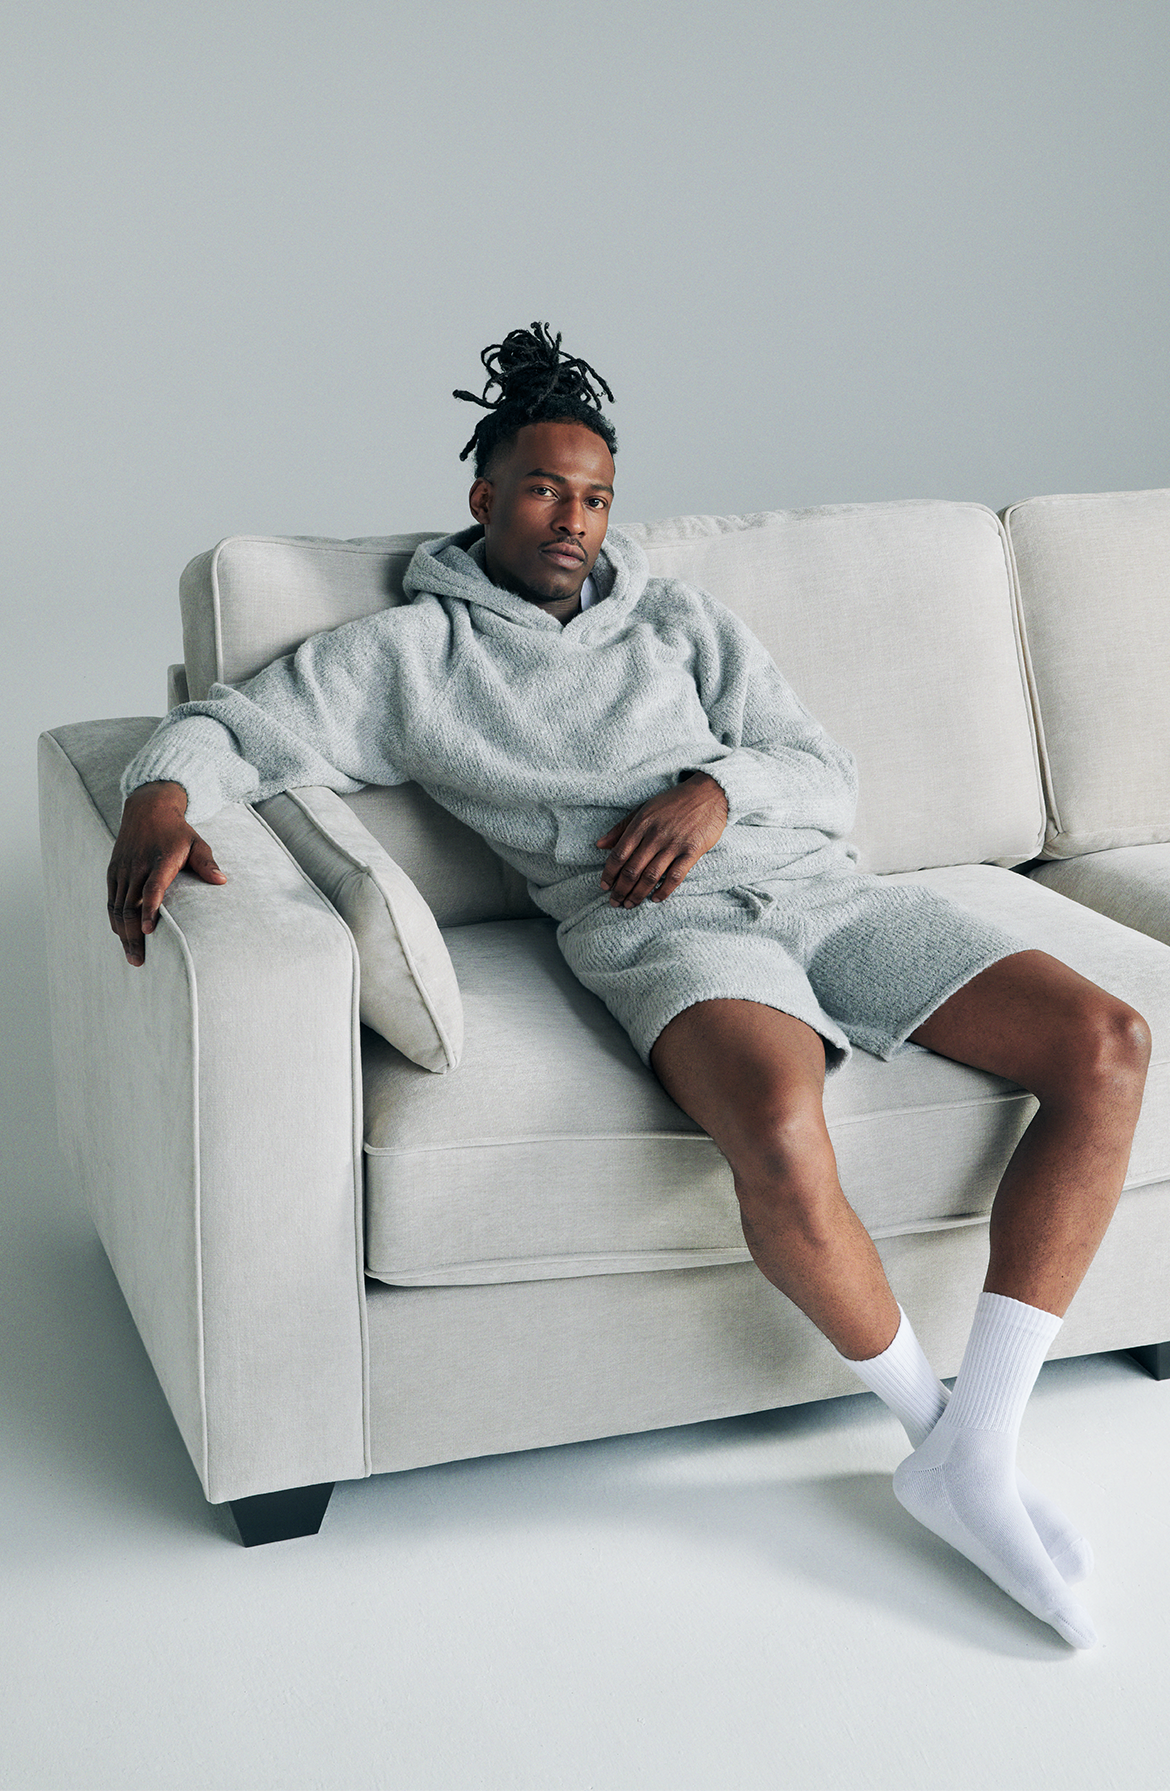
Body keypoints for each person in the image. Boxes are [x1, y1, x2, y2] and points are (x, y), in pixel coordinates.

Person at [107, 323, 1150, 1649]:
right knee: (779, 1125)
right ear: (484, 495)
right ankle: (936, 1439)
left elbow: (821, 770)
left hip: (821, 889)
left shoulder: (679, 619)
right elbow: (235, 726)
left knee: (1108, 1041)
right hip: (662, 931)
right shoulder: (410, 656)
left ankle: (975, 1446)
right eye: (545, 490)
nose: (573, 521)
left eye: (596, 498)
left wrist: (717, 789)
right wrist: (158, 793)